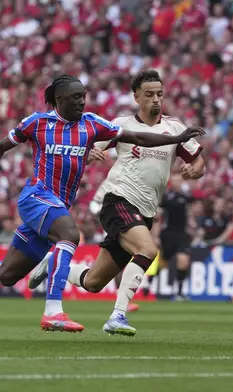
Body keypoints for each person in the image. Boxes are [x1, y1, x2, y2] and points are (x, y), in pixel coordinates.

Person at [0, 74, 205, 332]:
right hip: (36, 197)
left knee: (5, 275)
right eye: (75, 97)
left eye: (83, 97)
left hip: (58, 206)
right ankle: (53, 312)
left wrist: (178, 138)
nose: (82, 102)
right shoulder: (37, 122)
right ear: (59, 99)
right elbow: (0, 146)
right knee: (70, 235)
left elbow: (138, 136)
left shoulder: (92, 124)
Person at [28, 69, 205, 336]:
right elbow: (86, 144)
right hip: (118, 199)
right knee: (147, 250)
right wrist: (90, 151)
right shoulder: (122, 125)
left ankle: (54, 265)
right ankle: (117, 316)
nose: (155, 99)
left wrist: (196, 169)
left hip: (145, 210)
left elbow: (198, 160)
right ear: (136, 97)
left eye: (159, 94)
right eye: (149, 95)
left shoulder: (174, 129)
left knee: (94, 282)